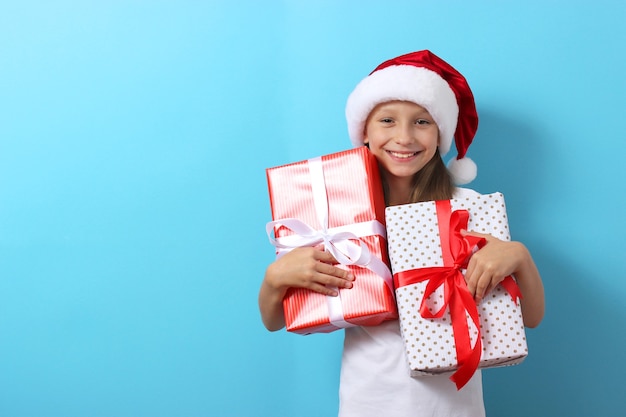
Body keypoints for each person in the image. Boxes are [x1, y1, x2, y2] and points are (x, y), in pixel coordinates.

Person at [258, 50, 545, 417]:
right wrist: (274, 279)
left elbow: (531, 317)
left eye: (422, 121)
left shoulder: (468, 207)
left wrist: (519, 255)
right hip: (368, 404)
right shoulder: (334, 214)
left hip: (455, 406)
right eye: (388, 120)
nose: (404, 137)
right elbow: (274, 321)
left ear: (441, 131)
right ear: (364, 131)